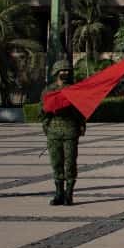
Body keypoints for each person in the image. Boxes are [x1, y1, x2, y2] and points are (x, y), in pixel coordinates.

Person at [41, 60, 86, 206]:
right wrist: (46, 127)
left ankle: (69, 194)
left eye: (67, 70)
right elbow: (43, 110)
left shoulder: (74, 89)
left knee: (70, 163)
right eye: (62, 70)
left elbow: (80, 109)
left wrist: (81, 125)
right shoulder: (49, 90)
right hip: (54, 131)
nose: (65, 73)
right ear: (56, 72)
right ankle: (59, 193)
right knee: (56, 163)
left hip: (70, 129)